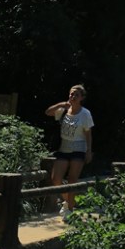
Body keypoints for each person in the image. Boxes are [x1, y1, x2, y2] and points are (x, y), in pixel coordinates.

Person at [45, 84, 94, 219]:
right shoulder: (64, 110)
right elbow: (48, 112)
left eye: (76, 95)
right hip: (64, 147)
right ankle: (69, 201)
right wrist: (62, 104)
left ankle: (69, 210)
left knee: (72, 179)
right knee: (56, 179)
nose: (73, 97)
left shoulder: (85, 114)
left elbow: (88, 133)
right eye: (71, 94)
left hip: (79, 148)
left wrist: (89, 151)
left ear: (82, 98)